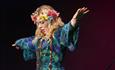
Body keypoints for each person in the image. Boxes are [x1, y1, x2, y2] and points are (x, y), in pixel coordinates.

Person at [12, 5, 89, 70]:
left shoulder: (57, 34)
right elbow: (28, 42)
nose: (39, 26)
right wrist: (18, 43)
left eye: (42, 22)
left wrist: (74, 21)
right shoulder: (39, 40)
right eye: (38, 23)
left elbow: (66, 29)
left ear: (50, 21)